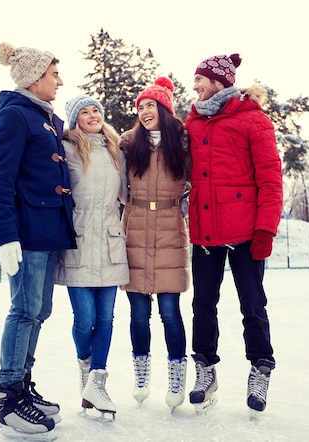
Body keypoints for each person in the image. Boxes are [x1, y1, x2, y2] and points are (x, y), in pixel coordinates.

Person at [184, 54, 283, 414]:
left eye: (199, 80)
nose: (194, 86)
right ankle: (205, 369)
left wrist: (265, 229)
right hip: (205, 231)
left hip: (246, 232)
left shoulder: (253, 120)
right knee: (202, 305)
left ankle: (260, 367)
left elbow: (271, 178)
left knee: (253, 305)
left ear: (218, 81)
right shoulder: (193, 123)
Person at [0, 41, 76, 437]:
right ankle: (9, 399)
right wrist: (5, 235)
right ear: (34, 78)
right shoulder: (15, 117)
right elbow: (0, 181)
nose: (60, 81)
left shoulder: (46, 119)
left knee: (39, 312)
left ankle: (23, 386)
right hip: (24, 234)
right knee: (23, 311)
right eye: (54, 74)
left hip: (48, 232)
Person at [54, 95, 129, 421]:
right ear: (75, 121)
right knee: (85, 319)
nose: (92, 115)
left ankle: (98, 380)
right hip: (80, 242)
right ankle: (86, 367)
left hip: (112, 242)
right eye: (83, 112)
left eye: (95, 109)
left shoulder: (117, 152)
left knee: (108, 317)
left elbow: (129, 193)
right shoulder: (67, 150)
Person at [119, 77, 191, 412]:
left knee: (169, 311)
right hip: (134, 229)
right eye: (141, 106)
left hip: (169, 230)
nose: (145, 111)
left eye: (151, 105)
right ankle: (141, 372)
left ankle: (177, 374)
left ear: (164, 108)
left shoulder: (184, 144)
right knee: (137, 313)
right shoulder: (128, 143)